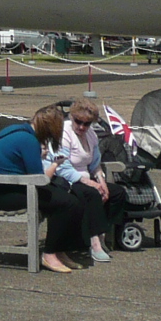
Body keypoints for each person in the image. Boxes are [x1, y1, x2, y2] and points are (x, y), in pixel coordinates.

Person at [0, 108, 75, 273]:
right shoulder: (29, 140)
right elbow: (38, 179)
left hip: (3, 189)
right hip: (6, 195)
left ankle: (58, 250)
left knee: (65, 197)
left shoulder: (14, 129)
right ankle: (49, 254)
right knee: (65, 202)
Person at [56, 99, 115, 265]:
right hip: (67, 179)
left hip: (87, 177)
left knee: (117, 193)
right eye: (78, 122)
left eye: (87, 123)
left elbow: (95, 163)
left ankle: (104, 236)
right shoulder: (64, 133)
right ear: (72, 117)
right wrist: (92, 184)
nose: (82, 127)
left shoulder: (91, 134)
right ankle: (94, 242)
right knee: (92, 194)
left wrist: (101, 181)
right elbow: (63, 167)